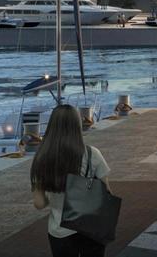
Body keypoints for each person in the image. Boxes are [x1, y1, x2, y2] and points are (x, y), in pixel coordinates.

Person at [31, 104, 111, 257]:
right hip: (91, 227)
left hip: (59, 231)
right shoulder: (92, 153)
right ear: (77, 125)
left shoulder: (42, 158)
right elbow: (107, 191)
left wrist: (54, 196)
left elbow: (39, 204)